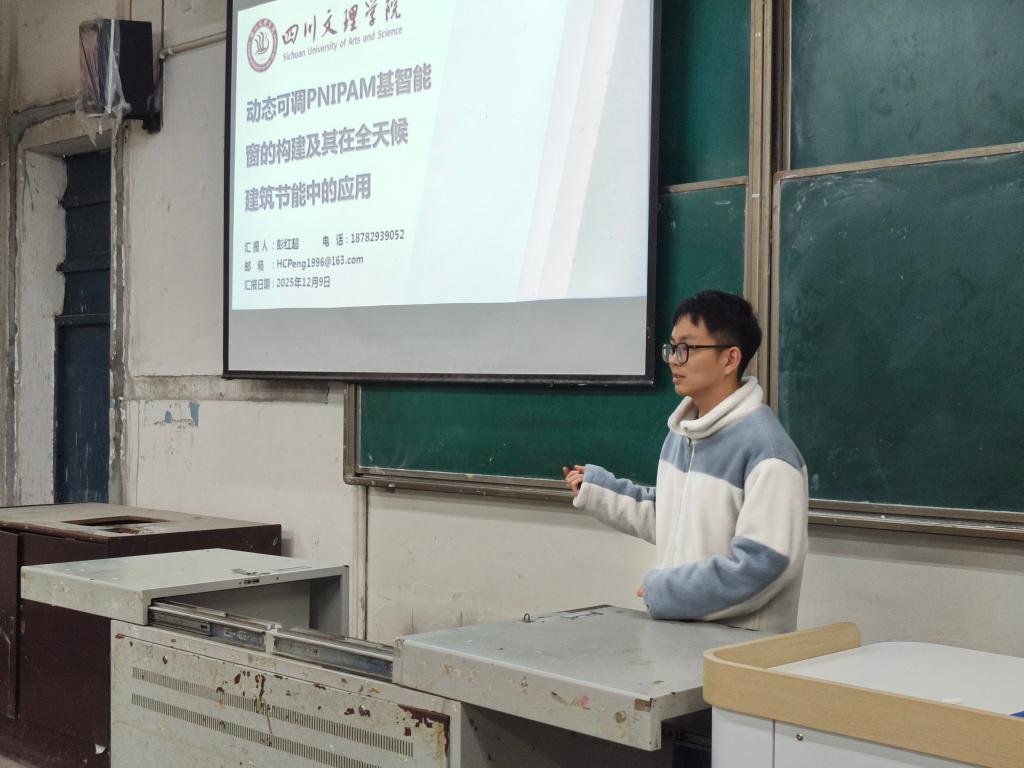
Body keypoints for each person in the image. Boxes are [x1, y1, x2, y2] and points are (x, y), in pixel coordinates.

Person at [563, 290, 808, 632]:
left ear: (730, 359)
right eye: (672, 348)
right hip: (683, 640)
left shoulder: (768, 453)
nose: (674, 360)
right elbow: (672, 519)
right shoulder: (683, 434)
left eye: (687, 348)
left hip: (742, 651)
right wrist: (599, 491)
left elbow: (765, 564)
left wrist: (669, 592)